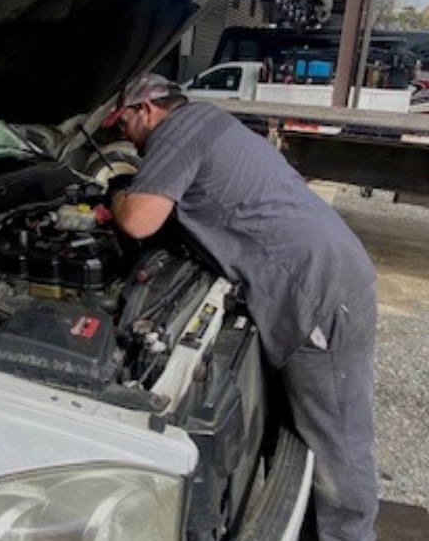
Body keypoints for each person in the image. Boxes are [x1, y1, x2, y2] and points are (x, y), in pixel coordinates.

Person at [103, 74, 379, 541]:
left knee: (339, 445)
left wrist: (117, 194)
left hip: (319, 291)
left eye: (122, 125)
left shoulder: (174, 132)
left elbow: (138, 221)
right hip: (323, 272)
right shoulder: (209, 119)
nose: (123, 136)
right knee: (308, 431)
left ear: (146, 110)